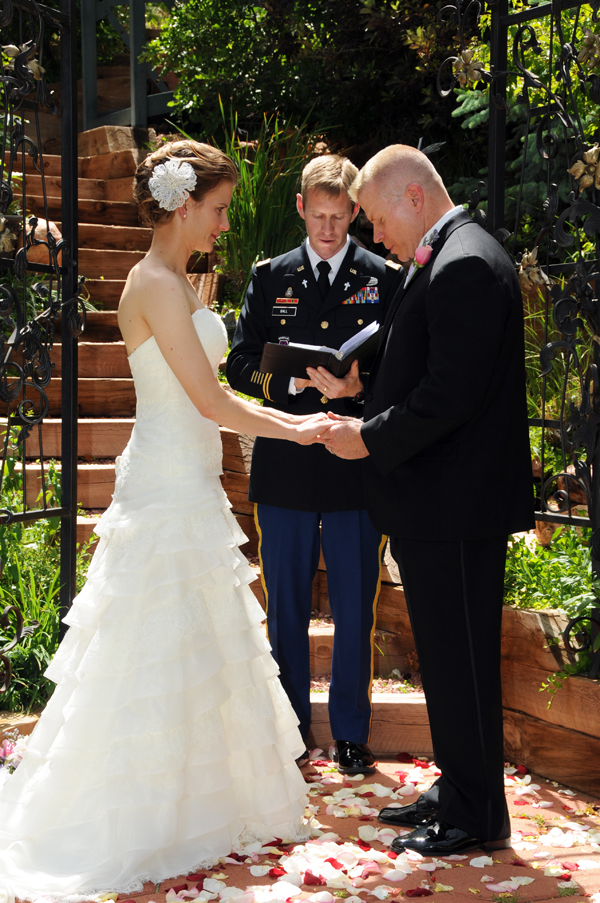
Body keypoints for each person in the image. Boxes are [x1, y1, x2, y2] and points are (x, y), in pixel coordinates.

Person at [0, 140, 331, 899]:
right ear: (185, 205)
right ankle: (136, 814)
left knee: (198, 650)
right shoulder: (149, 281)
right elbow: (210, 402)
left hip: (191, 481)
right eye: (216, 210)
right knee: (148, 653)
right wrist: (298, 427)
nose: (223, 223)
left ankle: (197, 810)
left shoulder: (178, 280)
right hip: (163, 489)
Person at [323, 145, 534, 853]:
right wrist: (364, 393)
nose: (376, 237)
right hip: (440, 504)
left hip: (458, 507)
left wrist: (369, 438)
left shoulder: (466, 261)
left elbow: (450, 396)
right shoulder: (448, 253)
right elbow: (426, 364)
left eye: (379, 219)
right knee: (443, 659)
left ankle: (478, 815)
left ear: (415, 198)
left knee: (463, 661)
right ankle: (458, 785)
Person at [226, 155, 403, 774]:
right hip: (288, 465)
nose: (329, 229)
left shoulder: (385, 276)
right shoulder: (269, 275)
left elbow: (404, 369)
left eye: (340, 217)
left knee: (357, 604)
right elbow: (240, 364)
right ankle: (291, 730)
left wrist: (360, 382)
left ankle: (352, 734)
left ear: (356, 211)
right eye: (318, 216)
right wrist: (299, 385)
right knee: (288, 607)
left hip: (357, 466)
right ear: (300, 208)